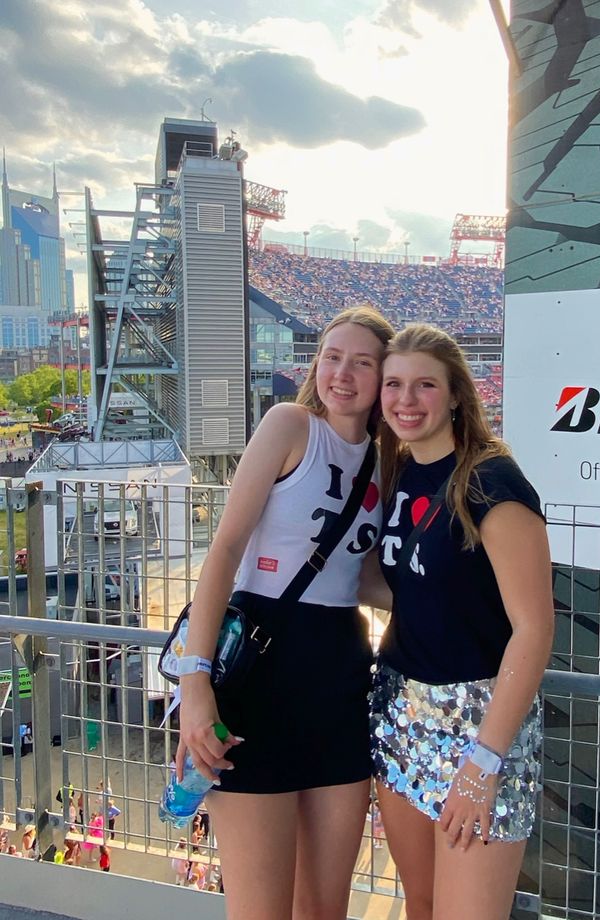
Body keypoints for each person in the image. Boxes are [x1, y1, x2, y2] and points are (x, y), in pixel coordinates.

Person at [177, 306, 395, 920]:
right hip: (259, 669)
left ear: (384, 376)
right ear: (315, 364)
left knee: (325, 910)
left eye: (362, 362)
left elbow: (365, 576)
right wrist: (196, 685)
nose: (343, 374)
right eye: (332, 357)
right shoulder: (290, 424)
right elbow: (225, 548)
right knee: (261, 911)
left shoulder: (385, 461)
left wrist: (459, 613)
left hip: (340, 677)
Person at [362, 323, 554, 920]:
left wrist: (486, 759)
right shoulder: (394, 476)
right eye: (394, 384)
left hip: (481, 725)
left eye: (424, 385)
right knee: (420, 903)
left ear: (454, 396)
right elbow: (405, 590)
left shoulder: (490, 482)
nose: (406, 400)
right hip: (399, 711)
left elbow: (534, 627)